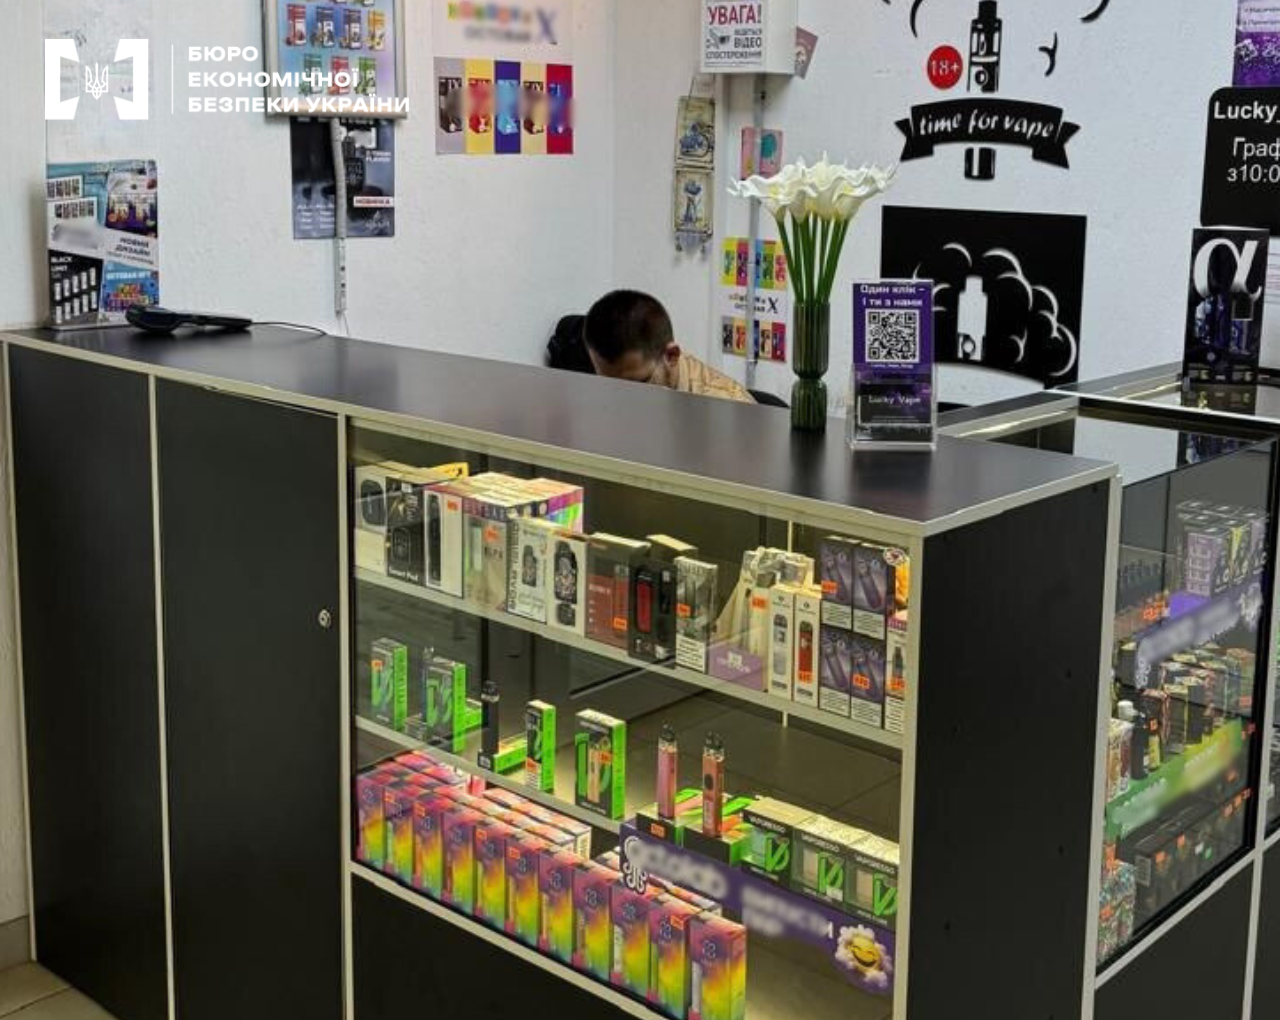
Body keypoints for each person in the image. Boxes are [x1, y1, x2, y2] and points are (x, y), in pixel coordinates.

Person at [583, 290, 755, 403]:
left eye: (636, 384)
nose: (619, 401)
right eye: (607, 385)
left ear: (671, 355)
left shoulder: (730, 409)